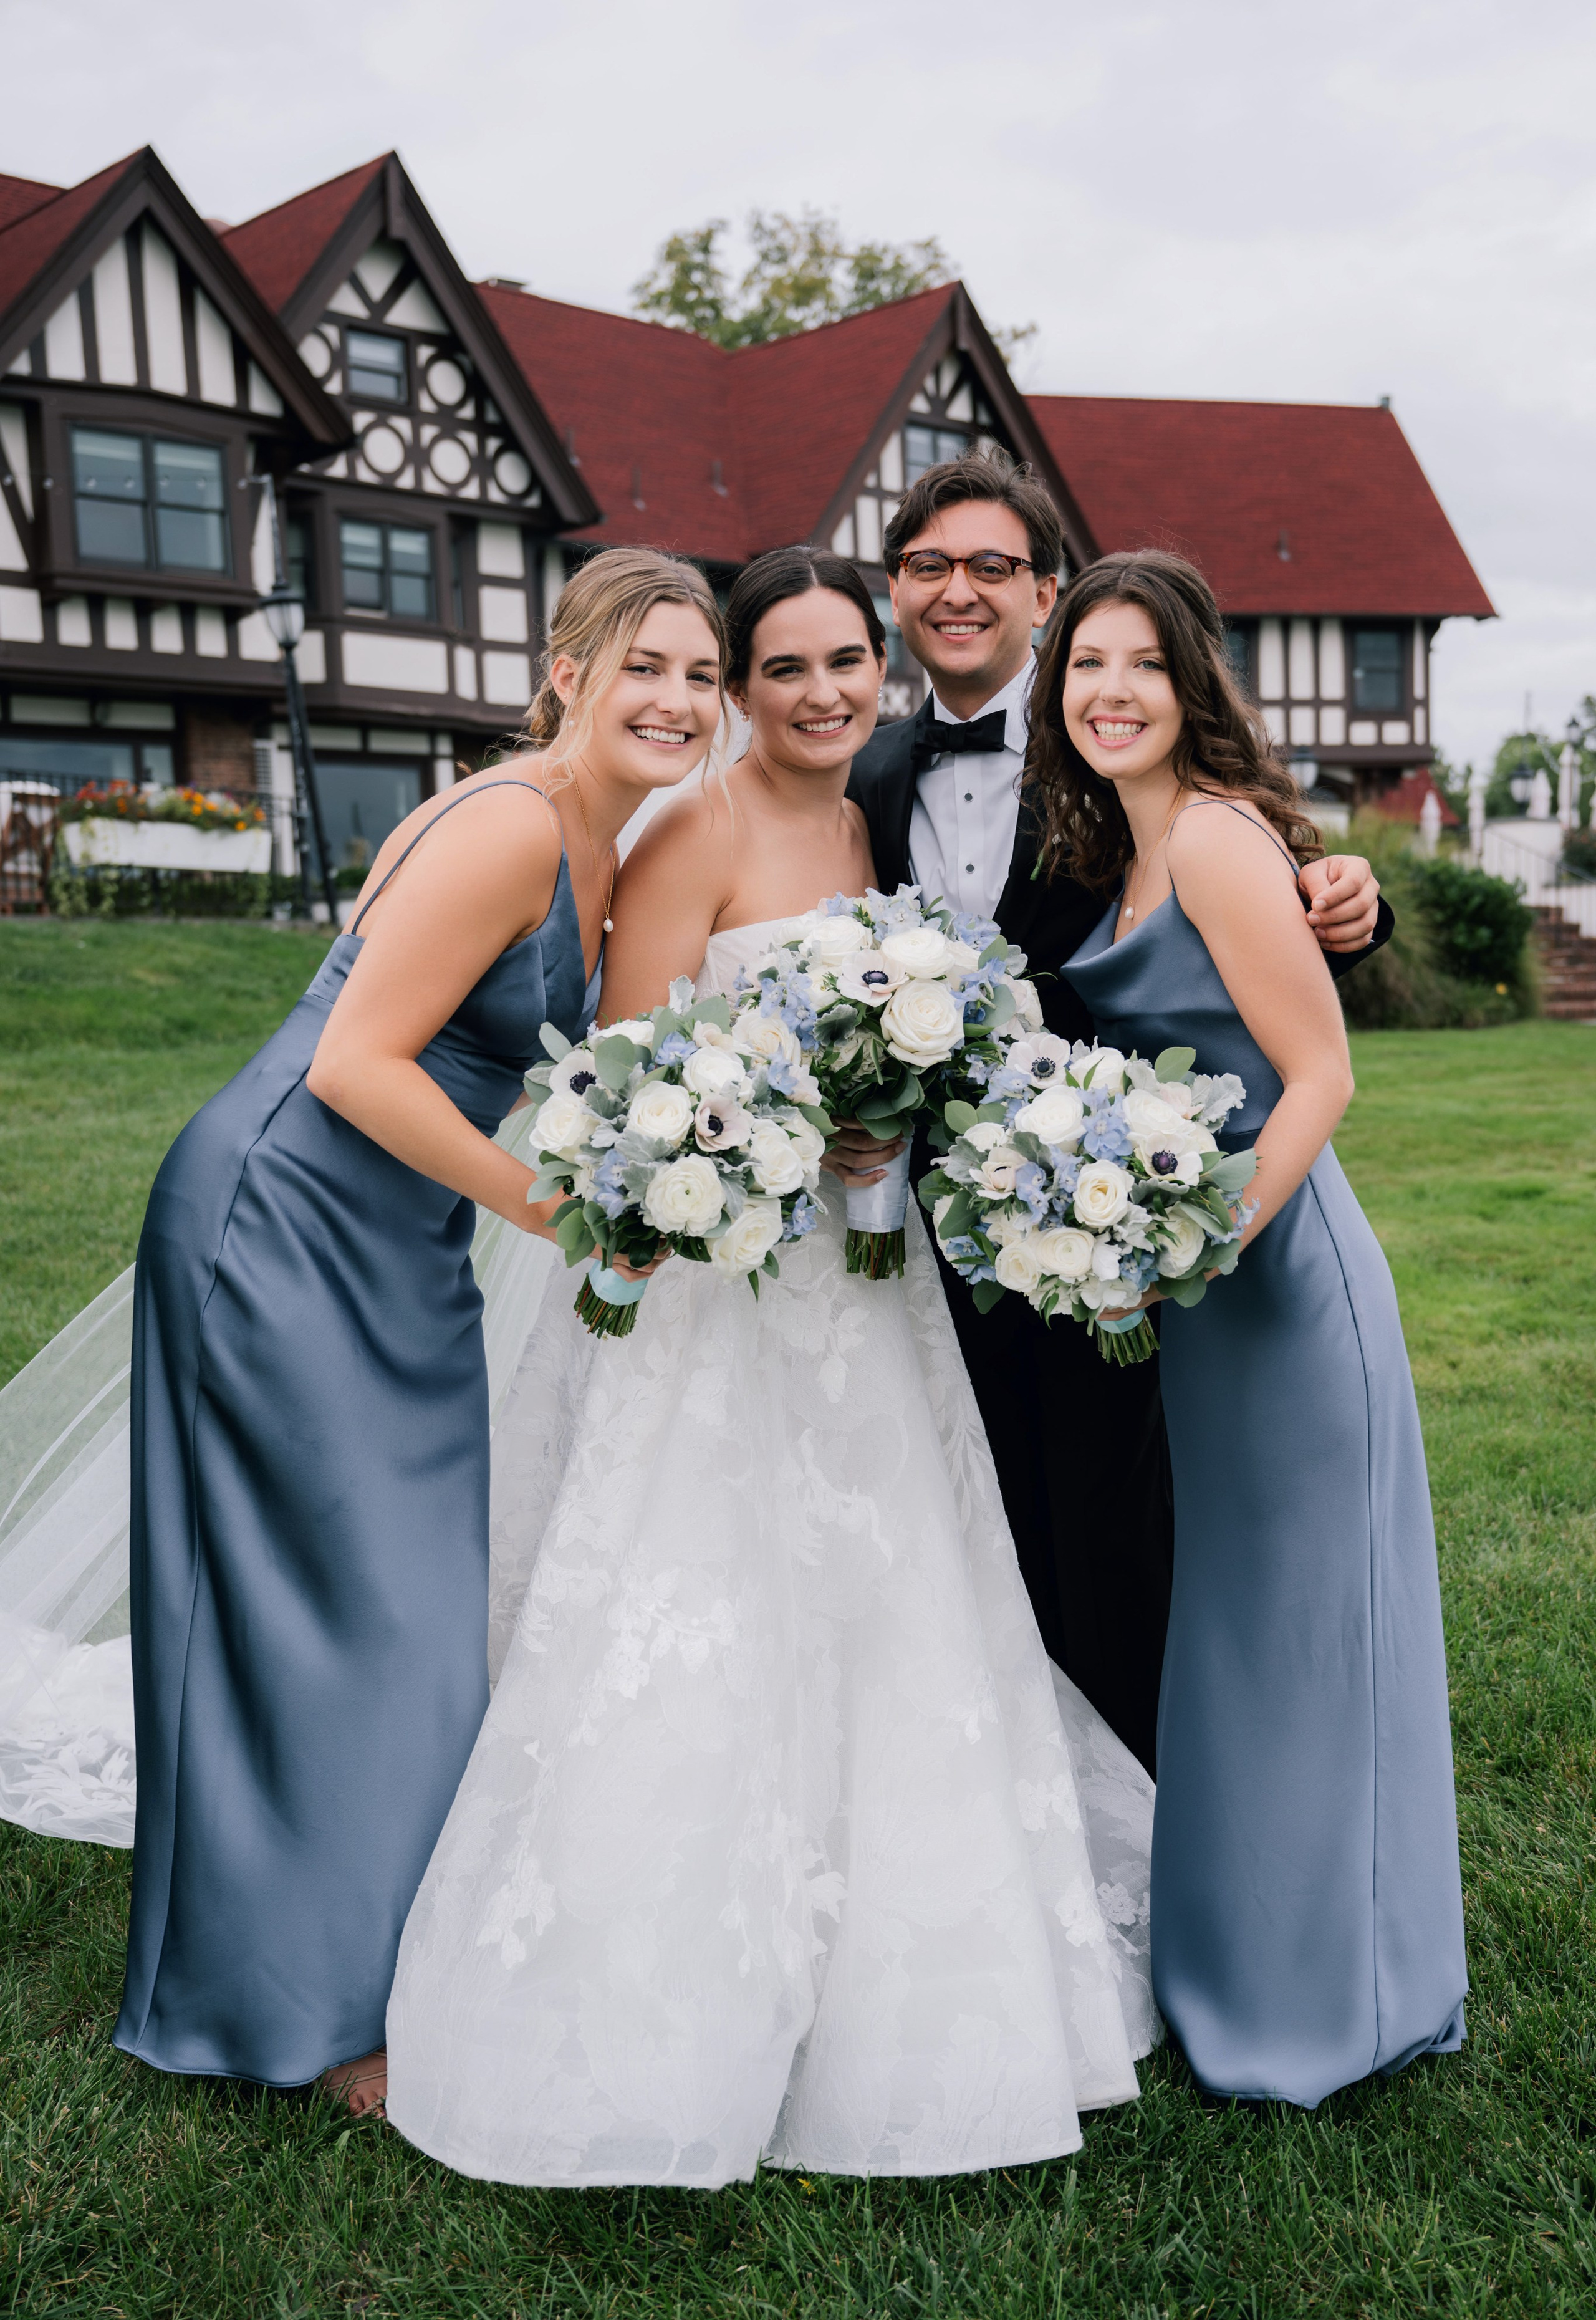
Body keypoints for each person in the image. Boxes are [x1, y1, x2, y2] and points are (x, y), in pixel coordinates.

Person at [383, 546, 1158, 2187]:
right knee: (712, 1586)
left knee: (894, 1597)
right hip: (717, 1281)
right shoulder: (695, 830)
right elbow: (634, 1078)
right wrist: (780, 1142)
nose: (822, 694)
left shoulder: (863, 821)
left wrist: (876, 1132)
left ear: (878, 674)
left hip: (861, 1286)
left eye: (843, 665)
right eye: (784, 669)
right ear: (737, 688)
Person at [111, 547, 724, 2111]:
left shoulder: (605, 839)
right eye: (640, 663)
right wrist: (553, 1208)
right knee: (333, 1611)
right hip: (283, 1222)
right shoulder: (513, 822)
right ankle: (286, 2012)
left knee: (408, 1604)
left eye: (699, 675)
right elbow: (356, 1066)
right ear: (567, 670)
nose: (674, 698)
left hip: (397, 1244)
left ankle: (355, 1966)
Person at [844, 451, 1389, 1775]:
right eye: (927, 567)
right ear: (898, 594)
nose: (957, 592)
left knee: (1122, 1543)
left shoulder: (1117, 760)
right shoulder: (858, 771)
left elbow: (1257, 894)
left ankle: (1145, 1820)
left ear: (1042, 593)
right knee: (968, 1539)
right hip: (922, 1231)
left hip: (1117, 1227)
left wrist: (1353, 905)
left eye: (990, 567)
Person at [1044, 548, 1466, 2106]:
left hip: (1283, 1296)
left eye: (1139, 664)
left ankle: (1339, 1995)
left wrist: (1201, 1242)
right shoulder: (1127, 858)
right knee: (1237, 1637)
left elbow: (1319, 1076)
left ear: (1191, 682)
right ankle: (1240, 1966)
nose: (1108, 690)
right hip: (1209, 1312)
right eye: (1083, 664)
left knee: (1310, 1644)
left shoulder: (1217, 841)